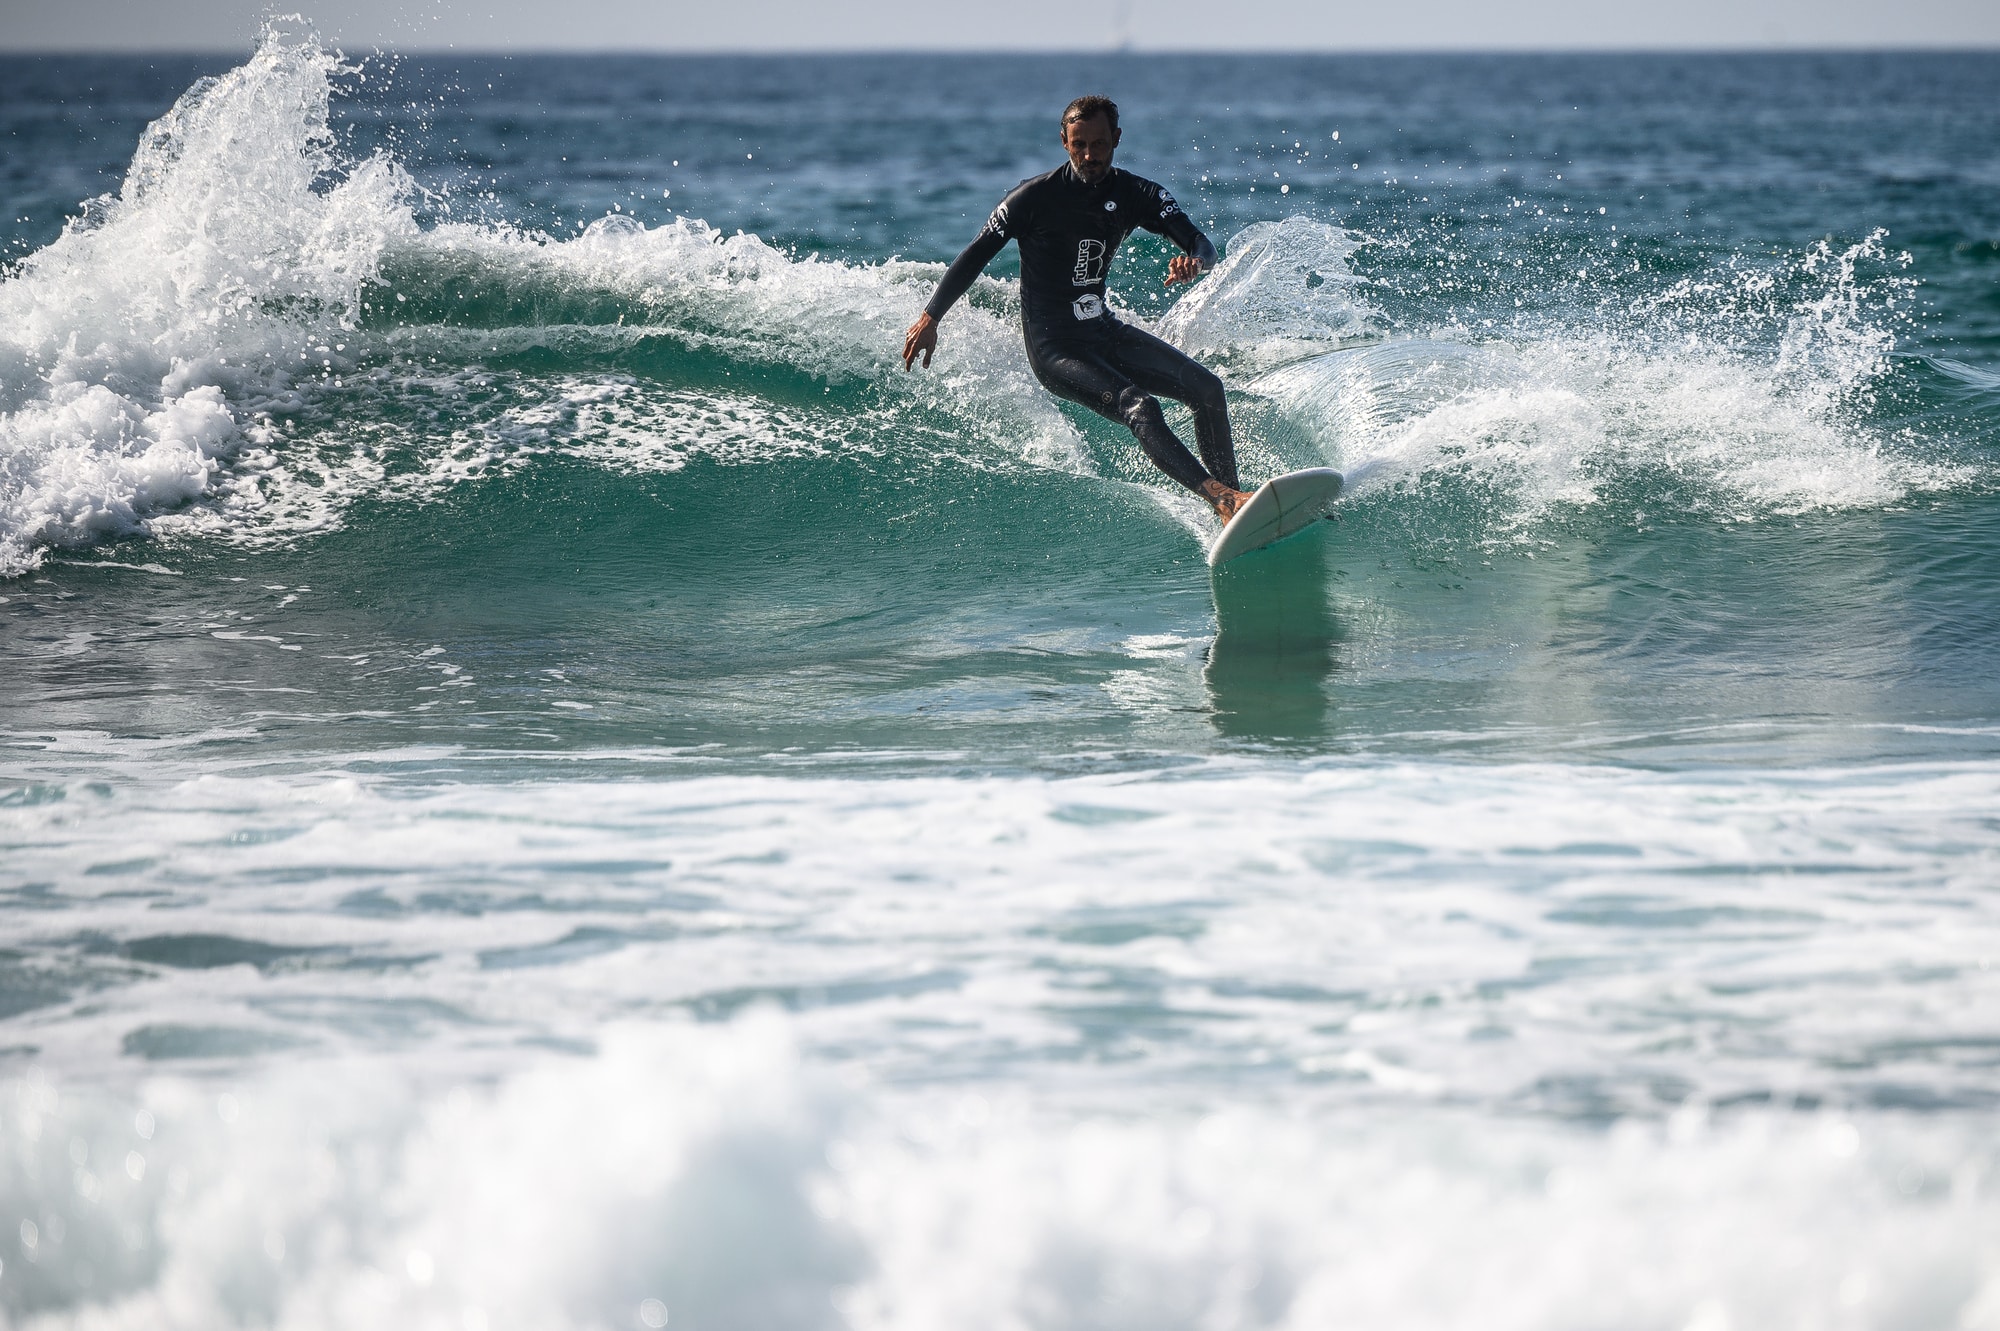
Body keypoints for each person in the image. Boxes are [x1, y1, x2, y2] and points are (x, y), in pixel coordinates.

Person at [901, 95, 1255, 521]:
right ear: (1064, 143)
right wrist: (931, 316)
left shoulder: (1137, 193)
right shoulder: (1032, 198)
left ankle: (1234, 503)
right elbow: (976, 253)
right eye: (1080, 144)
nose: (1090, 155)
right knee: (1138, 405)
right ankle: (1220, 497)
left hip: (1102, 331)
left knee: (1208, 389)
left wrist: (1195, 262)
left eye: (1100, 144)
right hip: (1055, 349)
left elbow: (1201, 243)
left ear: (1116, 140)